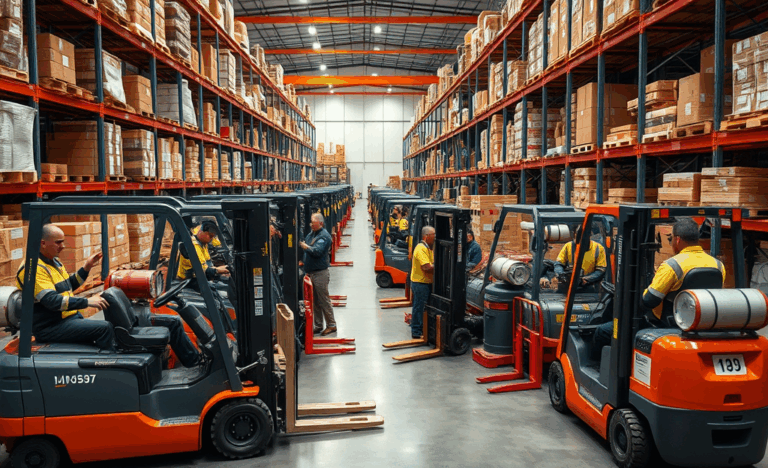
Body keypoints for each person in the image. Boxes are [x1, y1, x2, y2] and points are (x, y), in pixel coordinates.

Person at [593, 218, 725, 348]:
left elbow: (649, 301)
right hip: (701, 323)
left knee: (602, 331)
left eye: (671, 238)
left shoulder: (672, 265)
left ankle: (598, 366)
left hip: (666, 324)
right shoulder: (718, 265)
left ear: (677, 239)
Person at [17, 224, 114, 350]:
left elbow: (68, 286)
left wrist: (87, 267)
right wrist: (87, 302)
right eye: (58, 243)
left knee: (109, 323)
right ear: (43, 243)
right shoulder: (33, 269)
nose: (63, 246)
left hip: (68, 319)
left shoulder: (54, 262)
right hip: (50, 326)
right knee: (105, 329)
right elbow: (52, 301)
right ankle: (107, 365)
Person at [300, 213, 336, 336]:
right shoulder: (311, 234)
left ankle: (331, 325)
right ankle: (319, 325)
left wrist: (305, 247)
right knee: (315, 301)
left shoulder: (324, 236)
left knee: (324, 300)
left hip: (320, 273)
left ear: (320, 223)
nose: (311, 224)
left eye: (313, 222)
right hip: (311, 272)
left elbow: (317, 251)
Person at [540, 225, 606, 292]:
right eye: (578, 237)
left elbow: (601, 270)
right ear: (575, 235)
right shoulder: (568, 246)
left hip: (587, 286)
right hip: (567, 285)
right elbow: (559, 264)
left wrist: (586, 279)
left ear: (589, 235)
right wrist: (561, 275)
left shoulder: (598, 248)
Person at [177, 221, 229, 289]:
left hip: (199, 277)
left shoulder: (203, 244)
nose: (211, 239)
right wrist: (219, 270)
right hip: (189, 280)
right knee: (224, 288)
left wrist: (224, 268)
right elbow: (204, 271)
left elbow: (207, 264)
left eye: (213, 237)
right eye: (210, 236)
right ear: (201, 231)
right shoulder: (193, 245)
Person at [410, 226, 435, 339]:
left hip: (425, 283)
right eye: (433, 235)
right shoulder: (420, 248)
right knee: (419, 307)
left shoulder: (428, 248)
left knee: (422, 307)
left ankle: (423, 328)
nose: (435, 237)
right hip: (420, 283)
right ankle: (416, 331)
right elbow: (426, 267)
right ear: (427, 236)